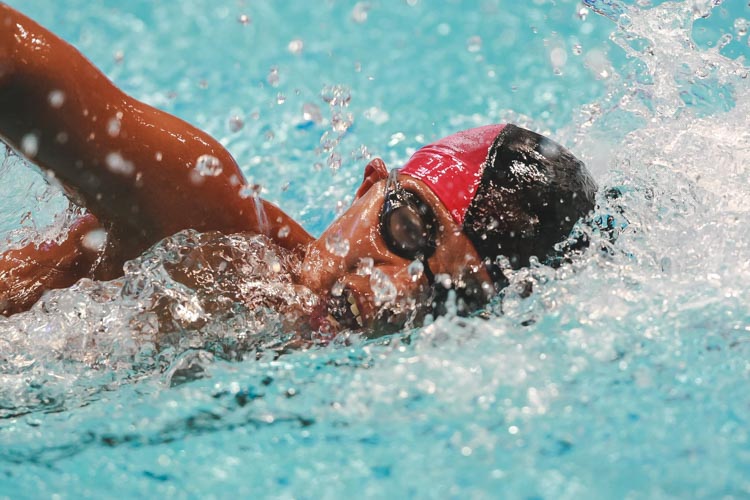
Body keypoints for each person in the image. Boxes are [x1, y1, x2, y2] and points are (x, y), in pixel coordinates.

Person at [0, 4, 597, 334]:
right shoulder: (201, 223)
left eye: (447, 294)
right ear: (370, 185)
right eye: (409, 231)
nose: (394, 289)